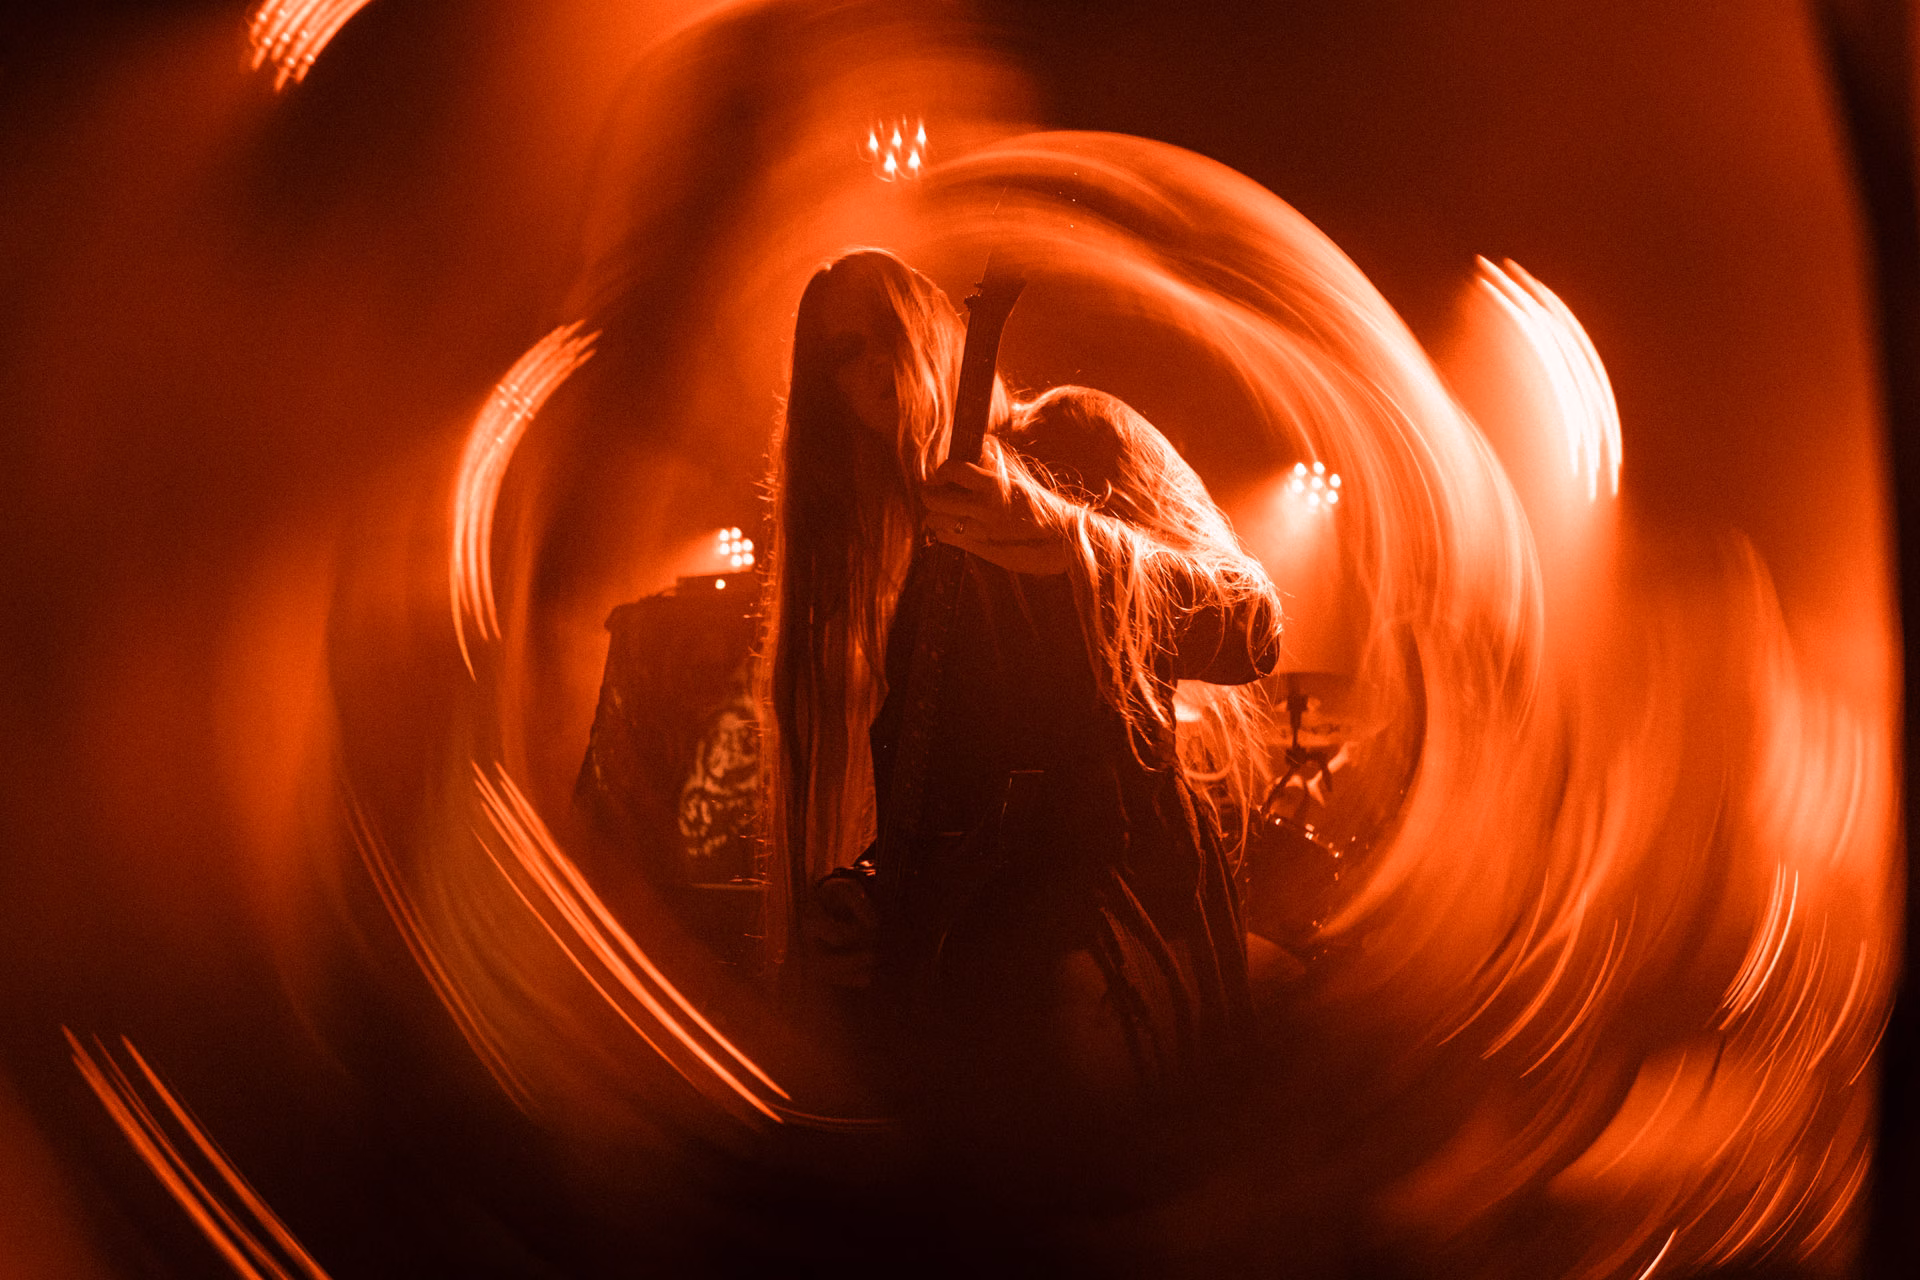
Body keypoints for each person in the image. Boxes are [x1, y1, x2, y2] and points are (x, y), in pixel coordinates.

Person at [760, 249, 1280, 1181]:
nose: (874, 366)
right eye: (841, 353)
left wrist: (1069, 542)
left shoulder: (1078, 431)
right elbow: (956, 788)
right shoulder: (917, 561)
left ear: (940, 324)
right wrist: (871, 889)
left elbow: (1254, 626)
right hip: (979, 994)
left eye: (888, 329)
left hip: (1120, 932)